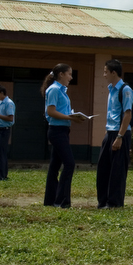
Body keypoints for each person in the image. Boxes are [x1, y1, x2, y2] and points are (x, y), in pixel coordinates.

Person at [41, 63, 86, 208]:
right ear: (61, 74)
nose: (71, 77)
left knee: (55, 166)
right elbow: (51, 112)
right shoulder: (54, 89)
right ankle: (62, 201)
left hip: (63, 130)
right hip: (57, 130)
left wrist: (73, 117)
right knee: (69, 164)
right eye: (69, 74)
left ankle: (50, 200)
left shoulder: (62, 91)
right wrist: (70, 118)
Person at [97, 59, 133, 209]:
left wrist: (119, 136)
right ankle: (103, 201)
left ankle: (114, 203)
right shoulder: (110, 90)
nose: (104, 74)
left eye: (106, 72)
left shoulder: (125, 90)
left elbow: (127, 115)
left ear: (114, 73)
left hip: (121, 134)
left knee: (117, 171)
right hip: (110, 132)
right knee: (103, 168)